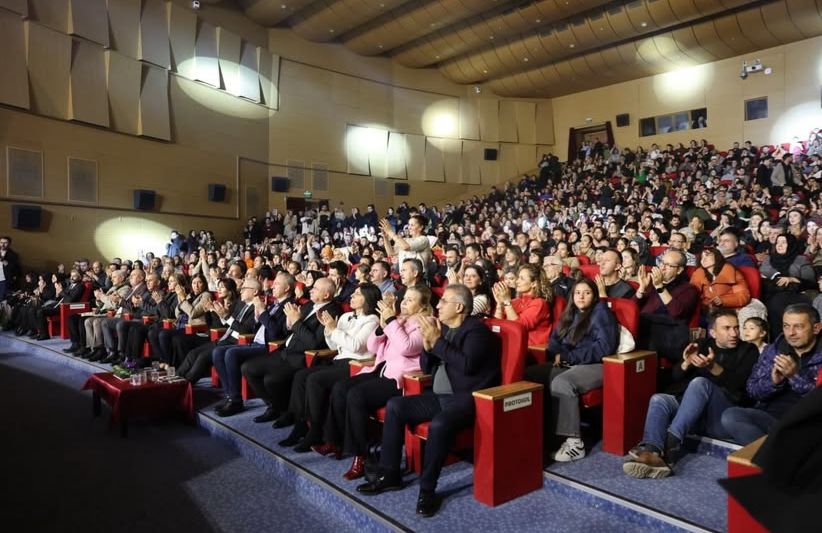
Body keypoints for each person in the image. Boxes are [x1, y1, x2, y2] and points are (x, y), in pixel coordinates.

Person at [356, 284, 501, 518]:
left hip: (468, 398)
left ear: (459, 306)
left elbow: (468, 367)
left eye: (443, 301)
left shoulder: (477, 332)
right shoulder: (441, 327)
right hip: (440, 395)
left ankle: (427, 490)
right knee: (396, 406)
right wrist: (427, 346)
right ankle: (389, 472)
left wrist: (437, 341)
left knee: (440, 425)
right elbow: (426, 367)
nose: (438, 305)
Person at [623, 310, 758, 478]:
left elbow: (740, 386)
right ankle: (653, 451)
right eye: (727, 328)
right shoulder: (702, 344)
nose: (734, 333)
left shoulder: (748, 350)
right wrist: (686, 363)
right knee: (659, 400)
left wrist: (712, 367)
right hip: (694, 414)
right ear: (713, 332)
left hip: (722, 416)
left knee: (700, 383)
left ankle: (669, 447)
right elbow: (674, 378)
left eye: (736, 328)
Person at [313, 286, 430, 479]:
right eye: (405, 298)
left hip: (401, 379)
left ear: (423, 305)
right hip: (379, 368)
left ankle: (361, 455)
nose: (404, 302)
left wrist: (391, 321)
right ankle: (335, 441)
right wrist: (383, 326)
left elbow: (407, 347)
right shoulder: (398, 320)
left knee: (356, 395)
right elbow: (372, 346)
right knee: (341, 387)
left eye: (410, 299)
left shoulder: (426, 322)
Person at [276, 283, 382, 450]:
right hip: (339, 359)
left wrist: (333, 329)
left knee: (315, 380)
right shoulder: (347, 316)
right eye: (353, 293)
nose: (352, 297)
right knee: (301, 376)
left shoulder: (373, 320)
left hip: (356, 364)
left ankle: (316, 430)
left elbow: (355, 346)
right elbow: (333, 346)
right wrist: (328, 330)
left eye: (357, 294)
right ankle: (301, 424)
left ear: (368, 298)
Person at [523, 278, 619, 462]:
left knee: (562, 383)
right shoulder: (570, 313)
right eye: (577, 293)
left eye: (587, 293)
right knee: (529, 375)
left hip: (598, 364)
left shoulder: (600, 313)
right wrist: (560, 354)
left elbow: (604, 348)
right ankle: (543, 432)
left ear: (595, 296)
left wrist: (568, 357)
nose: (581, 296)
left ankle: (575, 443)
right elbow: (554, 339)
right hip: (571, 362)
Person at [241, 277, 343, 423]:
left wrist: (296, 322)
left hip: (301, 357)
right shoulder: (308, 305)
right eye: (312, 287)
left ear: (326, 295)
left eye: (315, 288)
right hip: (285, 350)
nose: (311, 290)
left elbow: (313, 343)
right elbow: (285, 330)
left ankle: (285, 412)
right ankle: (275, 406)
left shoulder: (332, 311)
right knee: (247, 368)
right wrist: (290, 323)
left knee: (271, 380)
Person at [721, 303, 822, 444]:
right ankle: (773, 454)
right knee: (731, 416)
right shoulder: (775, 350)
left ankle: (771, 454)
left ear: (816, 328)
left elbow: (818, 402)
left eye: (798, 327)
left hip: (805, 424)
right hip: (771, 419)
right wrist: (773, 382)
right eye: (786, 326)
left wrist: (794, 376)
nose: (790, 333)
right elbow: (752, 389)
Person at [212, 272, 296, 417]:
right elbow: (259, 326)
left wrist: (262, 312)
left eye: (276, 284)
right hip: (256, 341)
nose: (272, 286)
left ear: (287, 288)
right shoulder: (273, 305)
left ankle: (236, 401)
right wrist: (259, 316)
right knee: (218, 352)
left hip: (270, 347)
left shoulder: (289, 306)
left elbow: (276, 333)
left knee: (231, 353)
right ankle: (230, 396)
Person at [176, 278, 259, 383]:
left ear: (255, 291)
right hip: (224, 338)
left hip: (236, 343)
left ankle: (185, 383)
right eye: (241, 288)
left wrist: (226, 316)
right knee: (193, 353)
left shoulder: (256, 308)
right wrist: (216, 312)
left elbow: (244, 330)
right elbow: (224, 324)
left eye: (244, 288)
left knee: (203, 357)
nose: (241, 291)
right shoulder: (240, 304)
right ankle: (176, 378)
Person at [635, 250, 700, 366]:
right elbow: (632, 309)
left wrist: (660, 287)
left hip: (668, 333)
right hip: (644, 326)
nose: (662, 268)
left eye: (668, 265)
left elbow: (677, 312)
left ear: (679, 270)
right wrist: (641, 288)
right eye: (661, 263)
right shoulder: (650, 283)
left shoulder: (688, 289)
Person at [492, 264, 552, 346]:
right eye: (518, 277)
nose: (517, 281)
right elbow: (496, 327)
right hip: (510, 343)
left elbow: (517, 327)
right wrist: (499, 304)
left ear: (533, 283)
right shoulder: (515, 301)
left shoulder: (540, 303)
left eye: (522, 278)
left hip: (529, 350)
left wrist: (506, 302)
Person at [689, 248, 751, 313]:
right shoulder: (698, 273)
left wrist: (723, 301)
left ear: (717, 257)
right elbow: (693, 295)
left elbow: (743, 296)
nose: (704, 259)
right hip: (707, 310)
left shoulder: (731, 271)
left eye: (708, 256)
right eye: (702, 257)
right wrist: (706, 304)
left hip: (732, 309)